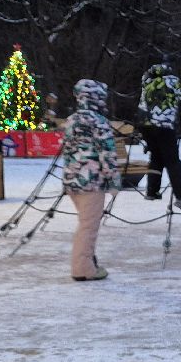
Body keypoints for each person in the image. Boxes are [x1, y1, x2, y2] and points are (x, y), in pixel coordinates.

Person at [60, 79, 119, 281]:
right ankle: (83, 268)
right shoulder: (99, 121)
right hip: (91, 182)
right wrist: (113, 180)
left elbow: (67, 151)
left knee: (85, 222)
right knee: (89, 226)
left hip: (72, 180)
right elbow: (107, 153)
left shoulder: (71, 120)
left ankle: (88, 262)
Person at [138, 63, 181, 213]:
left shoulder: (147, 83)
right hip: (164, 127)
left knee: (156, 158)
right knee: (173, 162)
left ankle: (152, 190)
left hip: (146, 126)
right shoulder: (171, 81)